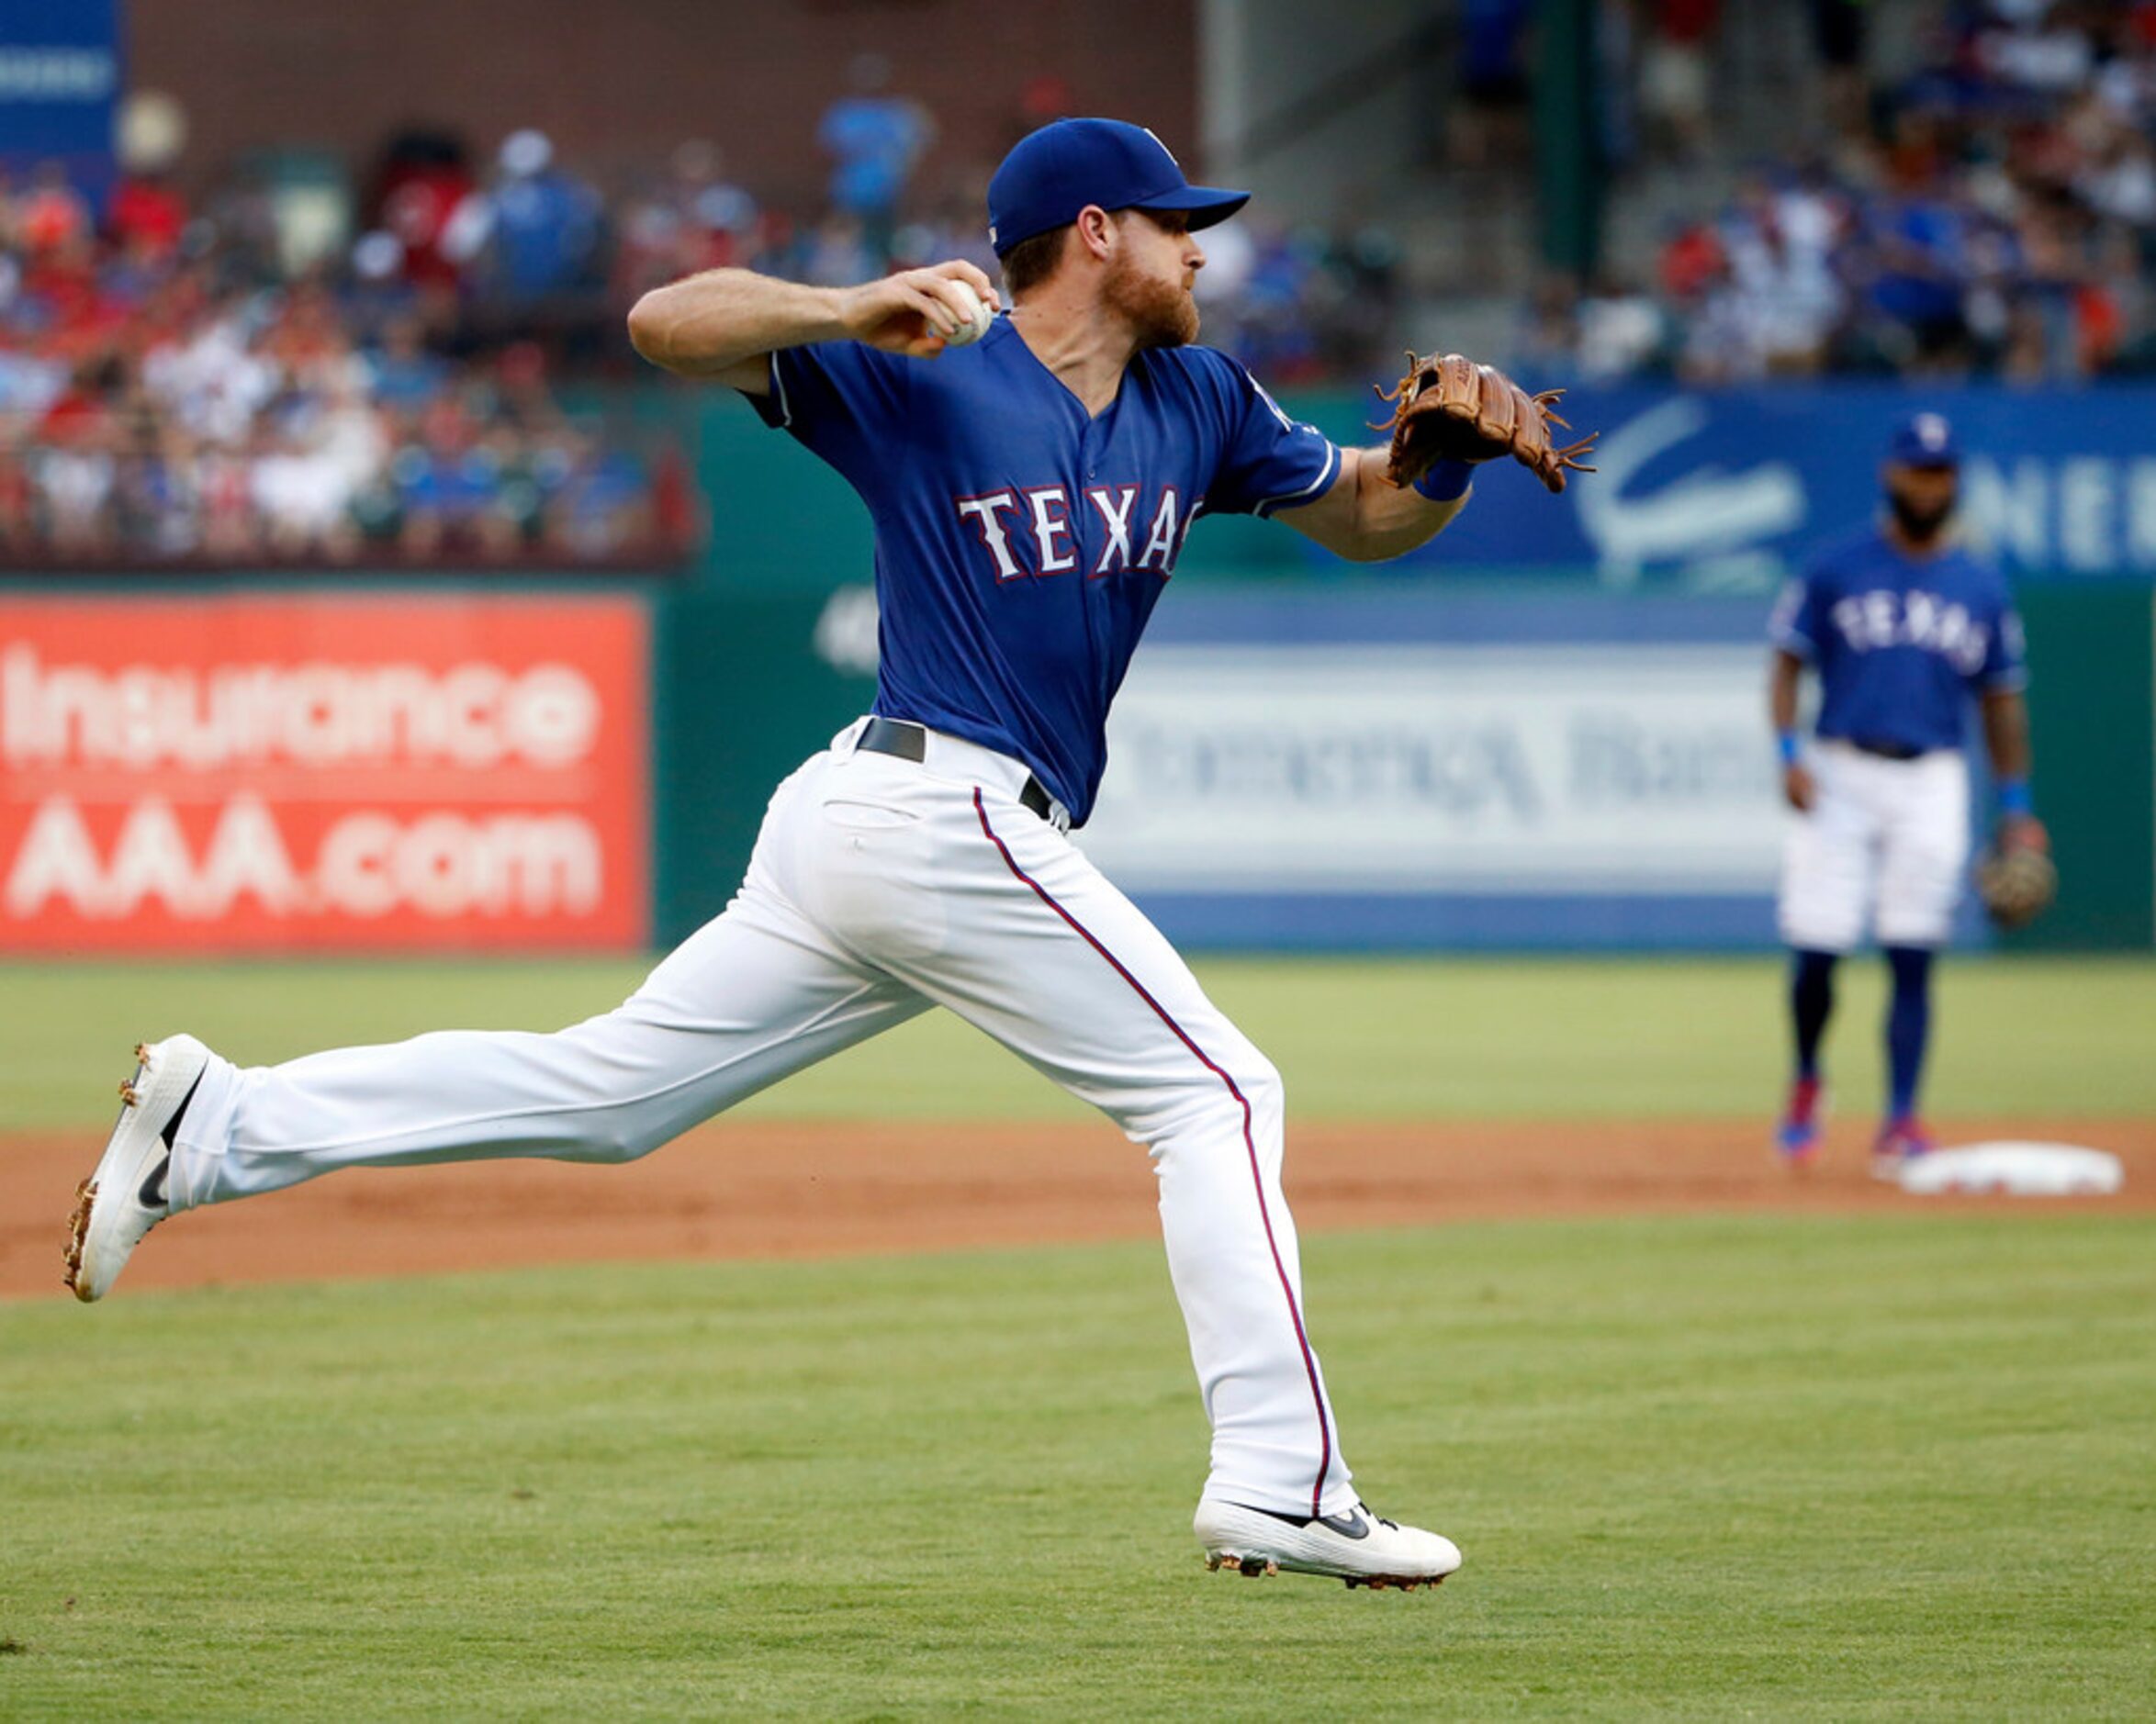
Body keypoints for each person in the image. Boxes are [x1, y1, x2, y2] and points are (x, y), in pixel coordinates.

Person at [66, 118, 1557, 1590]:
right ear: (1094, 233)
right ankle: (1279, 1480)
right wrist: (845, 305)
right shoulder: (926, 362)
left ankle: (224, 1121)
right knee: (1216, 1090)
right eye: (1175, 221)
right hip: (929, 807)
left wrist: (1430, 468)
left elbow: (1360, 510)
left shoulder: (1200, 399)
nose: (1200, 244)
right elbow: (664, 324)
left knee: (612, 1095)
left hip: (891, 827)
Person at [1768, 412, 2043, 1176]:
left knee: (1913, 950)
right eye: (1921, 470)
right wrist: (1787, 751)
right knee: (1817, 948)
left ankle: (1899, 1119)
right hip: (1839, 770)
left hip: (1933, 778)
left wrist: (2017, 808)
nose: (1933, 484)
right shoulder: (1836, 566)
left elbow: (2002, 702)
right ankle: (1806, 1080)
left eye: (1944, 471)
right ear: (1892, 475)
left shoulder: (1981, 584)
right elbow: (1787, 661)